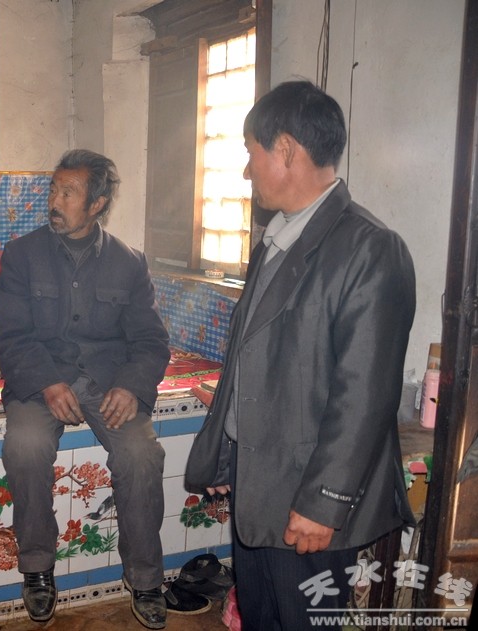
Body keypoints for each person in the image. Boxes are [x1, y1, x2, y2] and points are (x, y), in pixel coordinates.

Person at [185, 80, 416, 629]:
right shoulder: (275, 240)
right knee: (262, 616)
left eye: (252, 152)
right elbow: (251, 356)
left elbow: (365, 397)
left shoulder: (369, 248)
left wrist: (323, 503)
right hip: (260, 482)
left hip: (307, 496)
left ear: (285, 148)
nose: (248, 170)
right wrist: (227, 454)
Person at [0, 149, 209, 629]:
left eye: (68, 193)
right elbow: (12, 337)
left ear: (97, 204)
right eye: (54, 189)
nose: (55, 201)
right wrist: (48, 382)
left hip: (108, 383)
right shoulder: (22, 255)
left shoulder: (128, 263)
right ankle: (37, 569)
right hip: (40, 380)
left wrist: (131, 386)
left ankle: (146, 579)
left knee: (142, 454)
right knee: (25, 446)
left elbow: (151, 341)